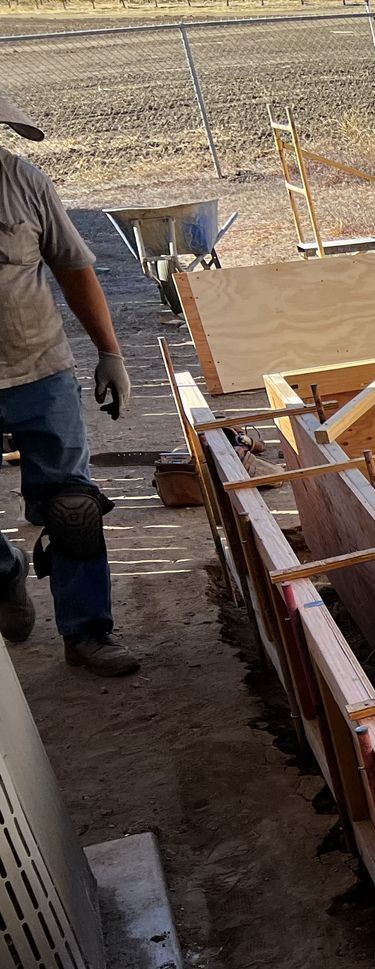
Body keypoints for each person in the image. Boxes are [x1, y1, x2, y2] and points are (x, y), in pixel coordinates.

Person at [0, 93, 136, 677]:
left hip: (42, 372)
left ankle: (86, 633)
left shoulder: (23, 181)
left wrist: (110, 352)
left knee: (73, 507)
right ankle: (5, 576)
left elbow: (72, 265)